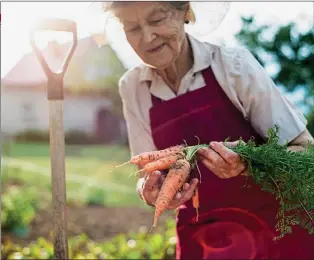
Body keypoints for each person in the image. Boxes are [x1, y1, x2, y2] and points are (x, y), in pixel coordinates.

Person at [101, 1, 314, 259]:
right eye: (132, 28)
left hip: (275, 235)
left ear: (186, 12)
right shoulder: (133, 86)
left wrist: (251, 161)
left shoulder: (233, 66)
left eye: (157, 20)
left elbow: (305, 152)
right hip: (203, 241)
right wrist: (148, 191)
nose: (147, 37)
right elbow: (145, 173)